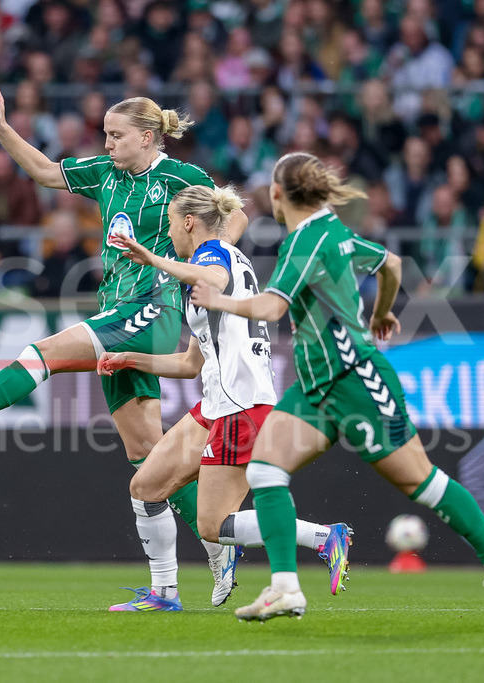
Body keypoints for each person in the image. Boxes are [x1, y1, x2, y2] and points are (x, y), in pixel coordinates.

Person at [0, 77, 248, 606]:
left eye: (116, 135)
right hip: (115, 307)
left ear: (147, 136)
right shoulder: (107, 174)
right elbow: (46, 171)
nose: (107, 144)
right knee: (148, 458)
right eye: (105, 134)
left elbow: (235, 215)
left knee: (43, 354)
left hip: (155, 305)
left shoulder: (179, 177)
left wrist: (202, 263)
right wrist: (2, 128)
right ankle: (196, 565)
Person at [189, 152, 484, 624]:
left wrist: (218, 299)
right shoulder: (334, 231)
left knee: (422, 483)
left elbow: (271, 308)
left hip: (356, 382)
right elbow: (390, 263)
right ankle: (285, 588)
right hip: (314, 386)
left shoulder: (304, 242)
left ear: (278, 195)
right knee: (266, 470)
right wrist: (382, 312)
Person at [97, 184, 353, 611]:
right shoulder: (223, 259)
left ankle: (326, 537)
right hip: (215, 406)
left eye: (173, 224)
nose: (170, 233)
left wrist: (153, 258)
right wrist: (131, 359)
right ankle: (164, 594)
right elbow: (190, 364)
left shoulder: (211, 258)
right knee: (146, 487)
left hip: (242, 408)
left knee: (213, 526)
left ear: (190, 222)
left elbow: (212, 276)